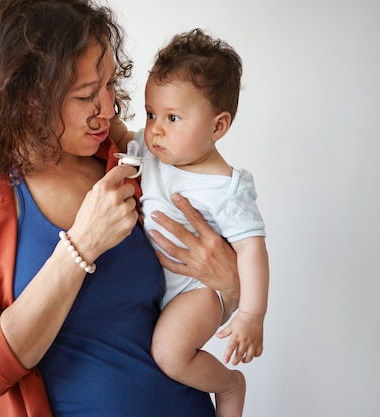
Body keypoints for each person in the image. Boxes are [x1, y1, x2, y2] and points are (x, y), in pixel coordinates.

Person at [0, 2, 240, 416]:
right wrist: (80, 246)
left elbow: (203, 297)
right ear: (25, 98)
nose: (108, 109)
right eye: (85, 95)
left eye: (110, 84)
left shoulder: (135, 165)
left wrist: (232, 287)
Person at [111, 29, 269, 417]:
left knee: (170, 353)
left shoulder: (225, 188)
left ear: (218, 127)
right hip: (162, 288)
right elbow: (113, 133)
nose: (156, 128)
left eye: (173, 117)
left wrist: (251, 313)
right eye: (151, 114)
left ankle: (229, 385)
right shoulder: (154, 149)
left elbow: (252, 250)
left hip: (197, 291)